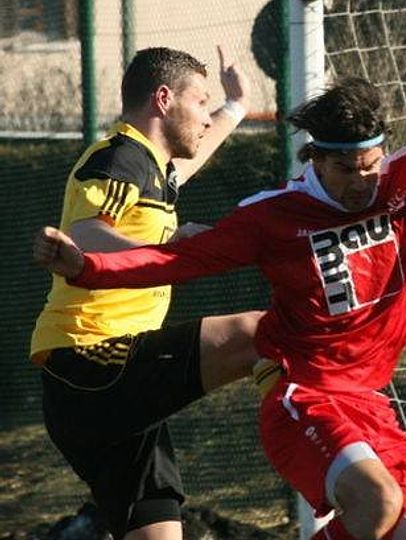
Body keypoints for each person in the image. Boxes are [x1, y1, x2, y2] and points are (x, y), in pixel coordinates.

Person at [34, 57, 406, 540]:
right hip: (295, 395)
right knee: (373, 496)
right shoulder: (267, 215)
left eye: (371, 165)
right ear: (315, 158)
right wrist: (87, 266)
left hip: (369, 404)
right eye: (347, 170)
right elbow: (171, 261)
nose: (363, 183)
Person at [30, 46, 264, 540]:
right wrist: (171, 246)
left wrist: (236, 106)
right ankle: (351, 453)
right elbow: (85, 234)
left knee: (158, 533)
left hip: (108, 392)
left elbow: (192, 156)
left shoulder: (153, 169)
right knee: (259, 333)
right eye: (200, 103)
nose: (205, 118)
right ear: (163, 99)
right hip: (92, 359)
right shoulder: (120, 156)